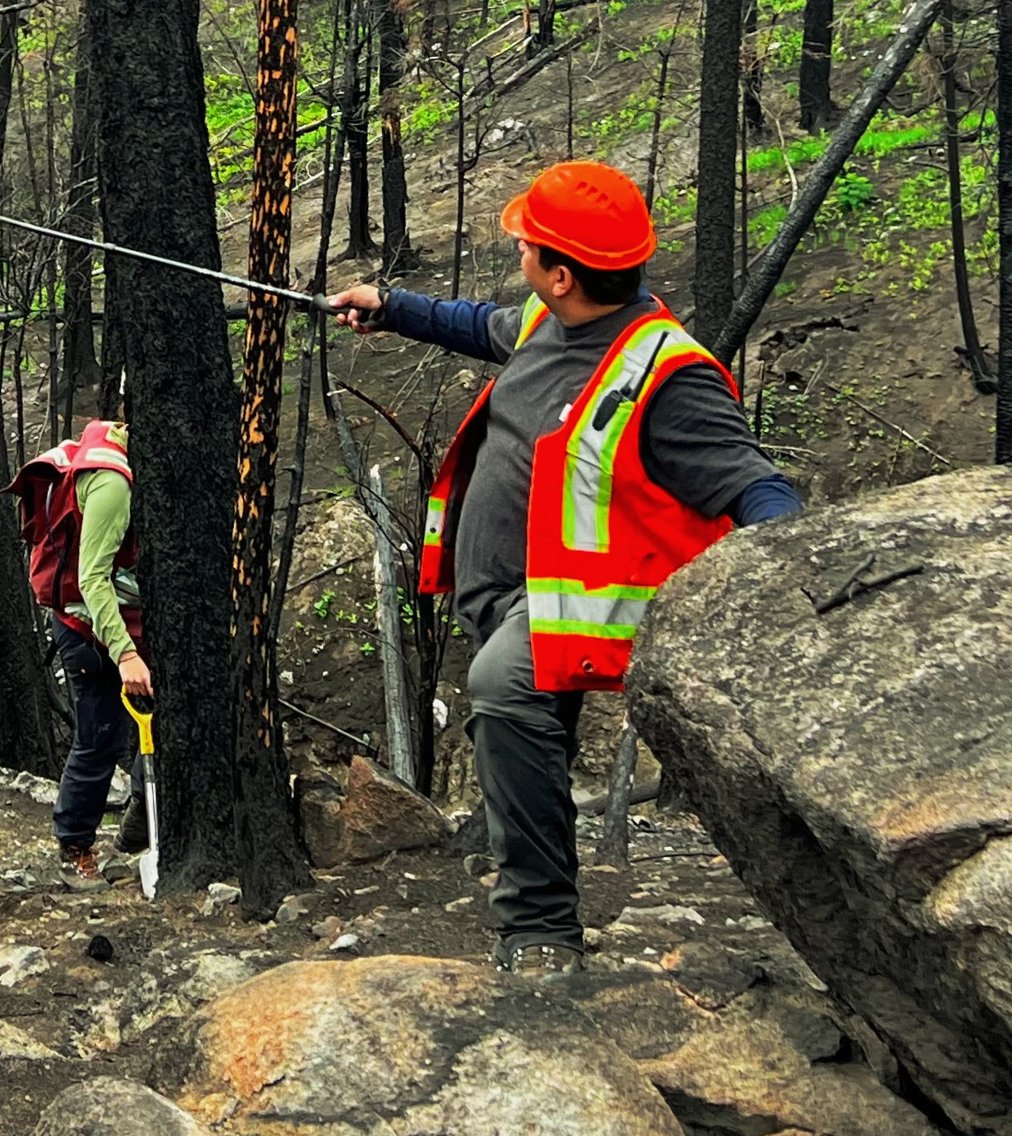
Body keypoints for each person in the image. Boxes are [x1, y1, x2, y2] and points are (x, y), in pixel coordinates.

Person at [330, 158, 799, 978]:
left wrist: (788, 576)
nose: (518, 254)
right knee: (525, 722)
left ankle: (540, 930)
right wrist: (393, 307)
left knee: (505, 689)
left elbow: (755, 485)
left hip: (571, 609)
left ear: (563, 271)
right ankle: (537, 881)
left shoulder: (667, 374)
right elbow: (482, 325)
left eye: (528, 246)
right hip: (506, 593)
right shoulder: (555, 319)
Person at [12, 418, 153, 883]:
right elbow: (92, 578)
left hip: (124, 622)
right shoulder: (112, 484)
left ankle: (142, 815)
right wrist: (126, 654)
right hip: (87, 628)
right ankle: (74, 845)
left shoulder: (132, 462)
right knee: (99, 737)